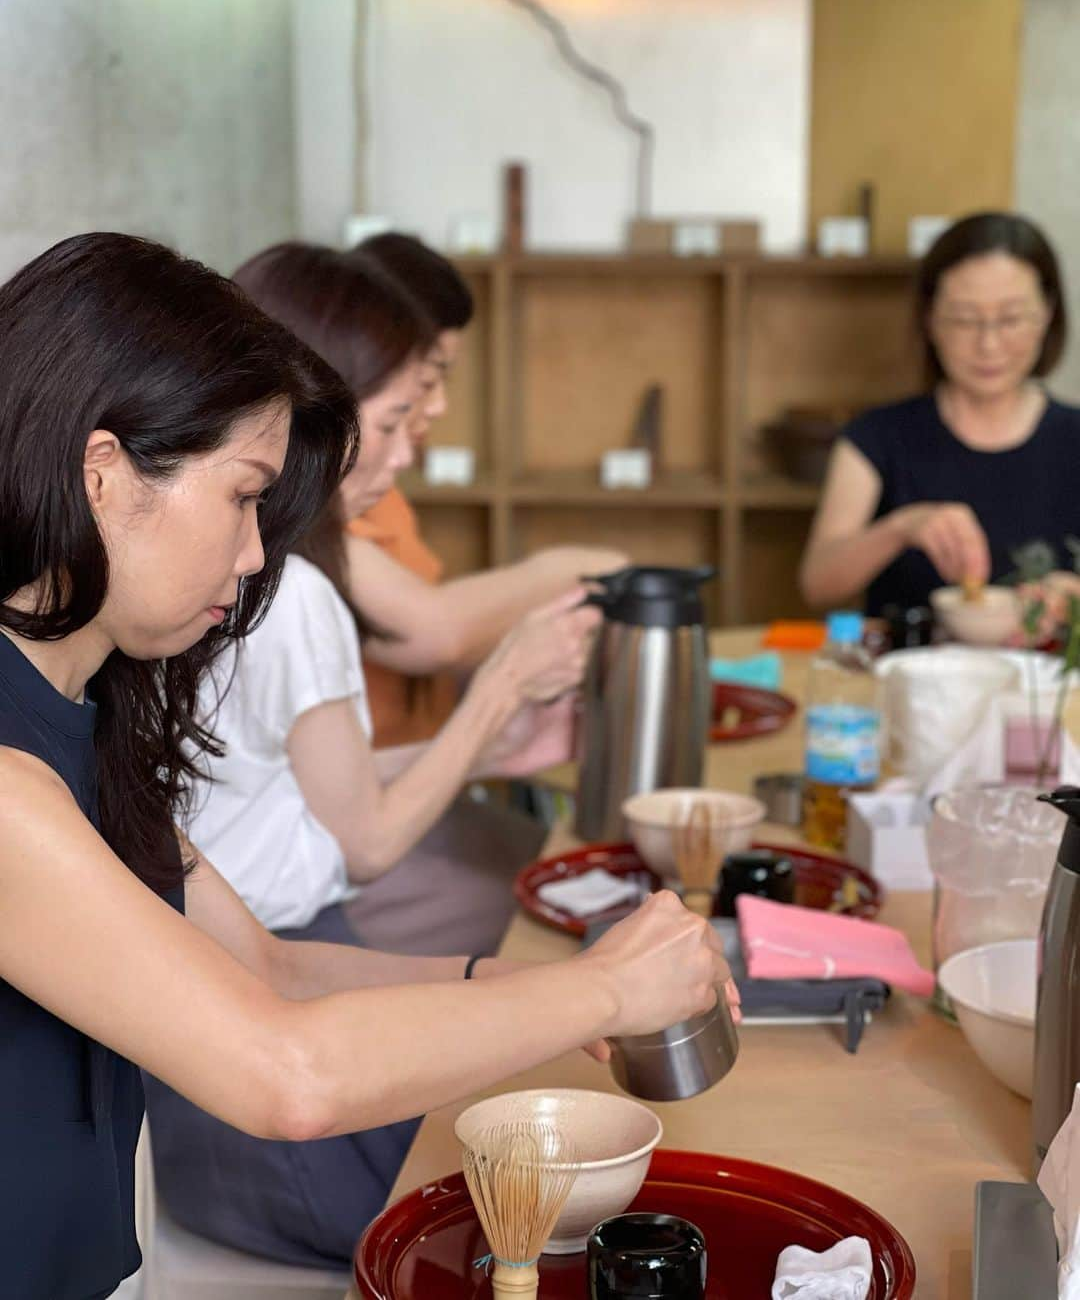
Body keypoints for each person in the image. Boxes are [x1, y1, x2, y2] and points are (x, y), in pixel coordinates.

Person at [0, 231, 736, 1297]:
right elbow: (284, 1078)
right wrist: (600, 993)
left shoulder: (92, 709)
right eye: (244, 496)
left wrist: (540, 987)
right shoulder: (11, 786)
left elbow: (271, 966)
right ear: (104, 473)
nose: (256, 555)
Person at [142, 241, 610, 1266]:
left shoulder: (218, 586)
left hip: (193, 1103)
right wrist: (496, 695)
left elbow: (283, 795)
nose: (403, 456)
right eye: (391, 423)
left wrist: (490, 741)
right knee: (510, 1210)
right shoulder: (287, 592)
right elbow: (359, 844)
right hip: (267, 1081)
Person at [342, 231, 627, 748]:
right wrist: (579, 571)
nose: (436, 406)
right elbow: (434, 633)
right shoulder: (307, 522)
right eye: (426, 381)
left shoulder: (380, 487)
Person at [799, 212, 1080, 615]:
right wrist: (900, 528)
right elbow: (818, 584)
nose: (989, 344)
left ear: (1048, 314)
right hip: (907, 673)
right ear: (930, 319)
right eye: (965, 319)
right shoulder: (874, 437)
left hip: (1047, 676)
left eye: (1012, 318)